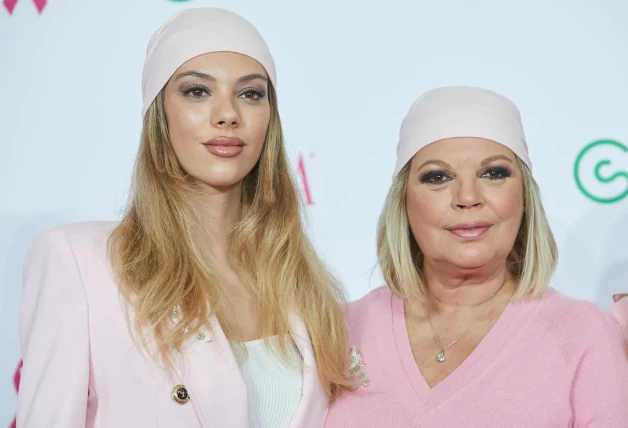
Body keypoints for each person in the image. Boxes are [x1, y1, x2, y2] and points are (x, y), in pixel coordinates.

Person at [16, 8, 351, 428]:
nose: (227, 114)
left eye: (250, 93)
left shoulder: (305, 287)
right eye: (197, 91)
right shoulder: (80, 263)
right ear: (159, 113)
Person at [324, 86, 628, 427]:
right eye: (438, 177)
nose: (467, 197)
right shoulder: (335, 329)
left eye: (494, 173)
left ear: (524, 197)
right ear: (403, 202)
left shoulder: (580, 332)